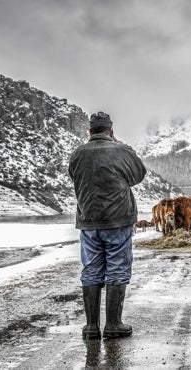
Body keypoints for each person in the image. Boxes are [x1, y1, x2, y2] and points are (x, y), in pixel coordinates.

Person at [68, 111, 147, 340]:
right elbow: (138, 175)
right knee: (117, 268)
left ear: (89, 132)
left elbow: (74, 177)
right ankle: (113, 324)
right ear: (110, 131)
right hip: (118, 220)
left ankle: (91, 327)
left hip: (89, 221)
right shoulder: (120, 151)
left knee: (91, 269)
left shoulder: (77, 154)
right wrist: (123, 147)